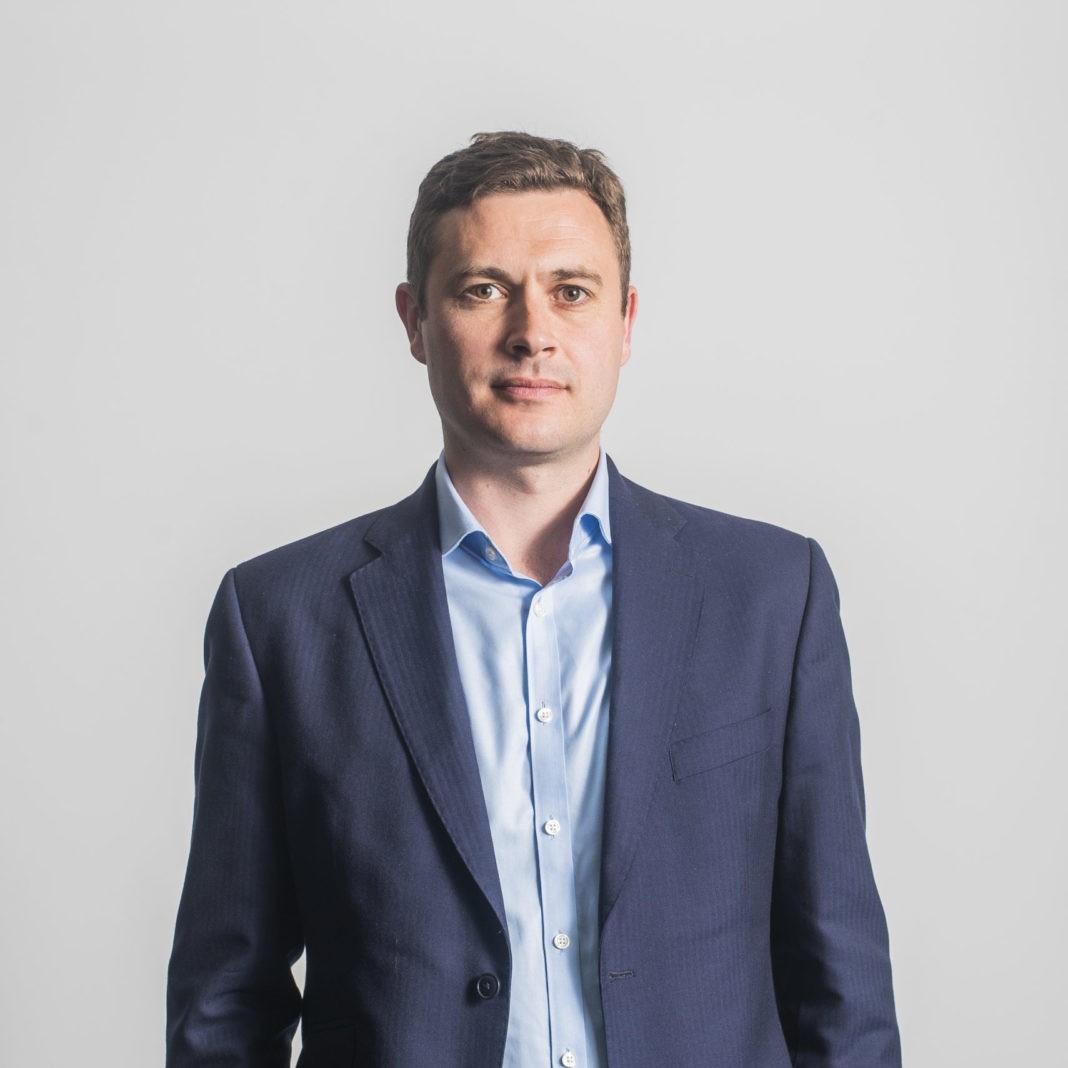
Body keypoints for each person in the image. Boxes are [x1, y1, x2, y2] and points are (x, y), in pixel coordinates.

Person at [167, 131, 901, 1068]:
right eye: (483, 289)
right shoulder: (280, 619)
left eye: (572, 290)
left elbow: (839, 982)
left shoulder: (770, 596)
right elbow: (225, 999)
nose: (533, 332)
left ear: (626, 322)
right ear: (415, 320)